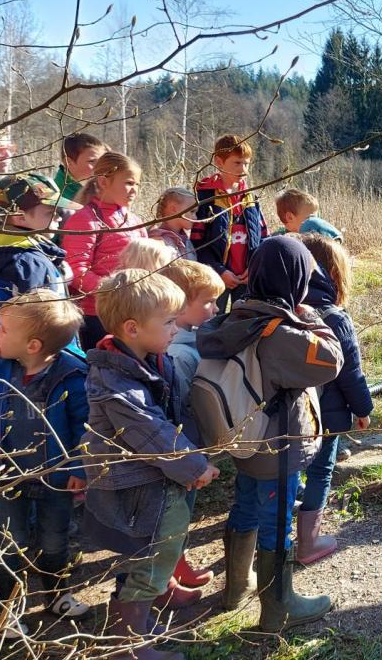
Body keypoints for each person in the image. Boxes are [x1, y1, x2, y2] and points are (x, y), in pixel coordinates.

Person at [198, 236, 342, 627]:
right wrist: (310, 318)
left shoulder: (237, 318)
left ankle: (235, 588)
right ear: (294, 281)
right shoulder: (278, 333)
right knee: (275, 520)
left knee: (244, 506)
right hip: (277, 448)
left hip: (243, 441)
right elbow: (331, 361)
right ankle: (279, 608)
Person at [81, 270, 218, 660]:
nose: (176, 329)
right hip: (138, 482)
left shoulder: (144, 360)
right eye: (169, 322)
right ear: (133, 328)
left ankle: (135, 623)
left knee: (157, 551)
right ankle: (128, 643)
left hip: (154, 476)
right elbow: (151, 431)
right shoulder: (115, 379)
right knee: (154, 552)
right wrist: (194, 466)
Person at [0, 290, 91, 620]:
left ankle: (57, 595)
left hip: (55, 478)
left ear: (32, 346)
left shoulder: (72, 375)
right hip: (5, 475)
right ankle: (5, 612)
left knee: (55, 540)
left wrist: (79, 465)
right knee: (9, 543)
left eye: (3, 329)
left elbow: (85, 426)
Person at [297, 234, 373, 565]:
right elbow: (351, 373)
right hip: (325, 417)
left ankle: (278, 531)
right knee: (320, 470)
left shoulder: (284, 309)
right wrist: (363, 410)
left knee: (288, 471)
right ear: (333, 273)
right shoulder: (334, 317)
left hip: (286, 416)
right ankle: (308, 542)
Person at [159, 259, 225, 591]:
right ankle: (163, 580)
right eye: (208, 302)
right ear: (180, 305)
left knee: (183, 510)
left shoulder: (189, 341)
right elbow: (178, 412)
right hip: (181, 451)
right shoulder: (177, 355)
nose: (214, 309)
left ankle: (177, 563)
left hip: (191, 449)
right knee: (171, 512)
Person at [0, 173, 71, 352]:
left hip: (2, 354)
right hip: (38, 358)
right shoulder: (30, 264)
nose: (59, 218)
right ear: (19, 217)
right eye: (50, 212)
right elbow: (40, 323)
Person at [62, 151, 149, 349]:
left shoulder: (135, 221)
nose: (134, 190)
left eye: (137, 184)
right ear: (103, 182)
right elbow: (76, 271)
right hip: (95, 316)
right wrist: (115, 290)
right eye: (128, 183)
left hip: (131, 312)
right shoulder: (84, 220)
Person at [190, 134, 269, 309]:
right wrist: (220, 270)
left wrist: (254, 266)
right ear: (219, 162)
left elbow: (263, 237)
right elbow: (197, 243)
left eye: (246, 163)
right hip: (215, 276)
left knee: (244, 321)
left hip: (247, 277)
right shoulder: (206, 197)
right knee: (211, 321)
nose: (244, 169)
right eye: (237, 163)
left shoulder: (250, 197)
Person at [55, 132, 106, 206]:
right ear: (69, 162)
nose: (99, 166)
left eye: (101, 160)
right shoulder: (58, 197)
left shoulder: (96, 188)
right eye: (92, 161)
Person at [274, 188, 343, 241]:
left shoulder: (313, 232)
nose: (315, 220)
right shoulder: (280, 238)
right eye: (310, 217)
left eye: (316, 216)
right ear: (290, 217)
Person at [150, 188, 198, 260]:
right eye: (192, 211)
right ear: (173, 209)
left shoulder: (186, 241)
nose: (195, 218)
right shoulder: (157, 241)